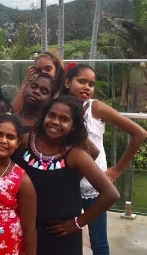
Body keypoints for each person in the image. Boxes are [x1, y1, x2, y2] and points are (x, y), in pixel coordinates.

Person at [12, 96, 120, 255]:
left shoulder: (75, 155)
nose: (55, 121)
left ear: (73, 127)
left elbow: (111, 194)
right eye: (52, 115)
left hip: (60, 237)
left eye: (64, 119)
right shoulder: (25, 141)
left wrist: (78, 223)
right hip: (23, 229)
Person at [63, 64, 147, 255]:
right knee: (68, 235)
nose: (87, 87)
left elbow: (139, 133)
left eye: (91, 84)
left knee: (99, 241)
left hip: (95, 185)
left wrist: (117, 169)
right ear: (68, 82)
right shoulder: (58, 108)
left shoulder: (96, 107)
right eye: (81, 81)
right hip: (67, 182)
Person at [0, 113, 37, 255]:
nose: (3, 140)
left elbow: (29, 230)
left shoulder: (22, 179)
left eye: (10, 137)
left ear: (17, 143)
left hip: (7, 246)